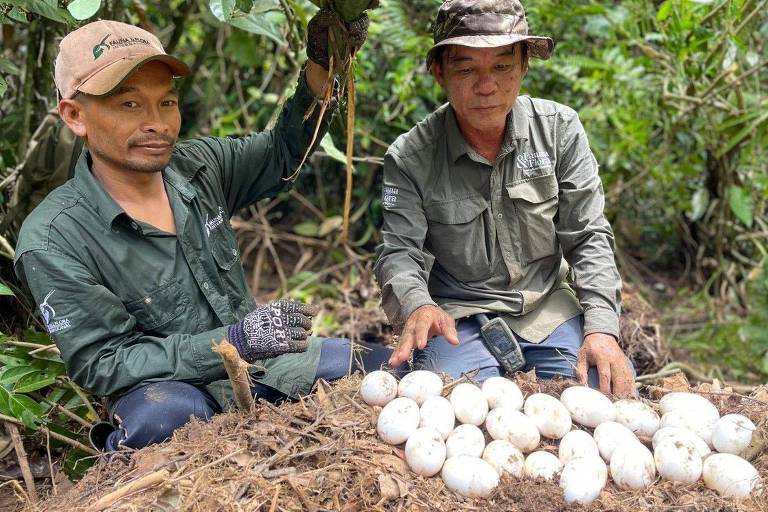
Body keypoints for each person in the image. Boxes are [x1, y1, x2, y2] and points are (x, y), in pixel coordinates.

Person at [13, 15, 387, 452]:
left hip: (265, 366)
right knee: (163, 423)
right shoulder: (54, 238)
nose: (157, 123)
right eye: (129, 105)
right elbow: (104, 363)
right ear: (75, 115)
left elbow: (283, 152)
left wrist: (324, 65)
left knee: (380, 370)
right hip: (171, 390)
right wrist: (231, 342)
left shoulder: (200, 167)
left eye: (166, 103)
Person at [374, 0, 635, 396]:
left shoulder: (559, 130)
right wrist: (418, 306)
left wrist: (601, 327)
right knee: (451, 405)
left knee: (600, 393)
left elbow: (589, 236)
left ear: (524, 66)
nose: (486, 86)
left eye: (502, 66)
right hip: (457, 318)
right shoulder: (411, 157)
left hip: (548, 309)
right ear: (439, 73)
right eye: (466, 69)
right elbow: (399, 252)